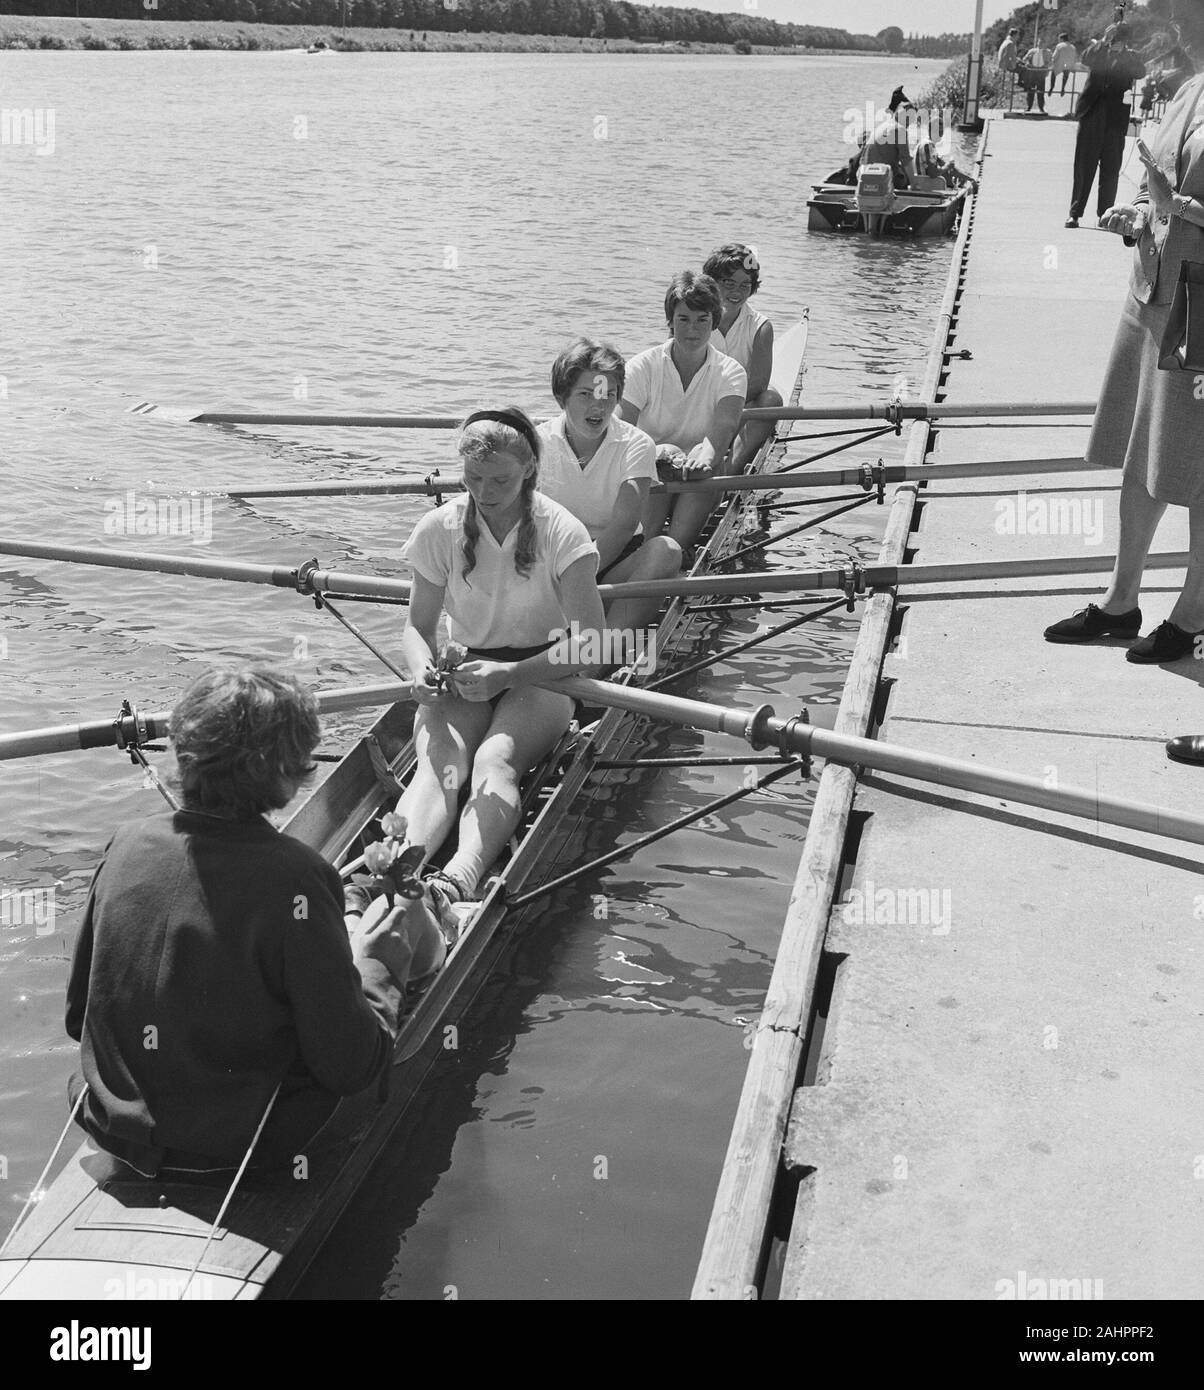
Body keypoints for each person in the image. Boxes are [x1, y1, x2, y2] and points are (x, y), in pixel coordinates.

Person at [64, 666, 426, 1180]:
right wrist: (380, 969)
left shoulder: (124, 844)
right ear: (285, 770)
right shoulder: (298, 876)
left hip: (108, 1122)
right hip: (243, 1148)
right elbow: (350, 1067)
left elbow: (79, 1014)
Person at [1044, 0, 1204, 706]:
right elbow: (1157, 180)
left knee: (1198, 466)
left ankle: (1194, 617)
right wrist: (1137, 212)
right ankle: (1121, 603)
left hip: (1201, 309)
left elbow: (1184, 198)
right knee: (1143, 451)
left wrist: (1175, 207)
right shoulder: (1192, 87)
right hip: (1154, 295)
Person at [393, 407, 608, 932]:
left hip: (547, 671)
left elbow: (595, 645)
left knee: (494, 762)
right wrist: (421, 667)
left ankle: (456, 881)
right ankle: (395, 877)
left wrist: (510, 676)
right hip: (463, 668)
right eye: (473, 479)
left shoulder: (563, 531)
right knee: (440, 763)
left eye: (500, 480)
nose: (485, 492)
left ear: (531, 467)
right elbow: (418, 627)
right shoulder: (438, 528)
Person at [535, 338, 680, 654]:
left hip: (614, 559)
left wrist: (578, 579)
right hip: (555, 562)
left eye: (608, 395)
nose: (598, 406)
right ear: (562, 397)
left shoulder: (637, 444)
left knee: (666, 551)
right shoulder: (537, 443)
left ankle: (594, 657)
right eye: (585, 394)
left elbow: (624, 525)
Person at [620, 271, 747, 552]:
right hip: (647, 475)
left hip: (700, 477)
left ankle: (669, 551)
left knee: (699, 461)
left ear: (714, 322)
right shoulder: (641, 367)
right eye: (684, 320)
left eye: (702, 320)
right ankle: (647, 549)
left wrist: (706, 457)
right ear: (670, 322)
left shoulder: (731, 372)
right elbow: (621, 430)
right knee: (663, 452)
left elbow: (724, 427)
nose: (693, 330)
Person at [704, 242, 782, 474]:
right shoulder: (693, 319)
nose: (736, 292)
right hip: (697, 403)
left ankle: (728, 473)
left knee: (771, 400)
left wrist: (723, 407)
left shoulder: (761, 328)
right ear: (712, 283)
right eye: (728, 284)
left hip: (737, 408)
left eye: (744, 285)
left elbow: (758, 384)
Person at [1064, 23, 1148, 228]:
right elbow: (1085, 58)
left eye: (1119, 40)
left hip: (1115, 121)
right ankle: (1075, 213)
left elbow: (1140, 72)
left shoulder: (1131, 57)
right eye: (1114, 39)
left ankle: (1104, 214)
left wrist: (1125, 53)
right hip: (1091, 115)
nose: (1116, 44)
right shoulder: (1099, 51)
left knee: (1111, 169)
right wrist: (1103, 40)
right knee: (1084, 167)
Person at [1021, 39, 1052, 112]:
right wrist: (1028, 63)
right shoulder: (1032, 51)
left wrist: (1046, 65)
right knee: (1030, 90)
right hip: (1032, 72)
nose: (1040, 44)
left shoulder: (1048, 52)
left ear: (1045, 44)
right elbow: (1024, 59)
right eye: (1039, 43)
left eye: (1042, 43)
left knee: (1041, 91)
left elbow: (1052, 62)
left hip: (1041, 73)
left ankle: (1041, 108)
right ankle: (1029, 107)